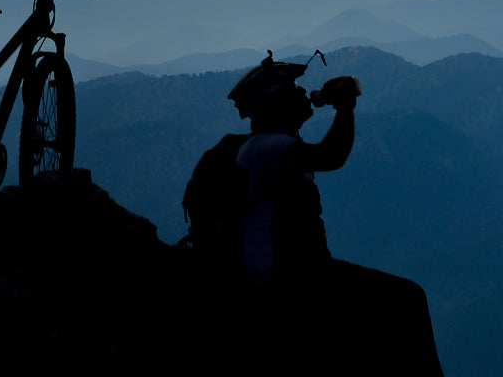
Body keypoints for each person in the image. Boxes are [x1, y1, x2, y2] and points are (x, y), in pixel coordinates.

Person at [186, 51, 443, 375]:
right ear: (275, 103)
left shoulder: (269, 146)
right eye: (292, 90)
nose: (303, 93)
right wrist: (345, 107)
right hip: (286, 284)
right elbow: (332, 155)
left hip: (299, 275)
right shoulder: (268, 148)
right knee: (407, 301)